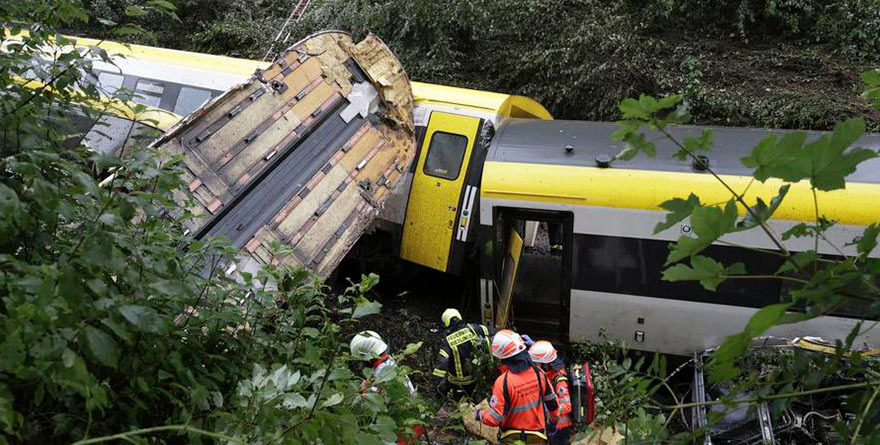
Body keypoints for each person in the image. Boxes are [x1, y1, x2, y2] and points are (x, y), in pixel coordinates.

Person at [475, 329, 559, 444]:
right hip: (537, 438)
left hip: (511, 439)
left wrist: (479, 414)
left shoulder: (503, 382)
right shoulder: (539, 374)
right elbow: (553, 405)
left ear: (503, 358)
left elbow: (494, 419)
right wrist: (553, 423)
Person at [349, 331, 421, 443]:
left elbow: (376, 403)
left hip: (404, 426)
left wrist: (364, 390)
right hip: (412, 419)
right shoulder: (388, 361)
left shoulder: (381, 372)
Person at [431, 308, 495, 398]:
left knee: (455, 397)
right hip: (475, 376)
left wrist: (435, 383)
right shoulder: (473, 328)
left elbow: (442, 364)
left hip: (458, 382)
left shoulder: (448, 341)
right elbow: (491, 331)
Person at [529, 341, 572, 445]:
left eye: (536, 363)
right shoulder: (547, 374)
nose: (534, 365)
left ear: (545, 364)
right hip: (550, 424)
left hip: (560, 427)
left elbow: (567, 405)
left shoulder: (559, 380)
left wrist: (548, 408)